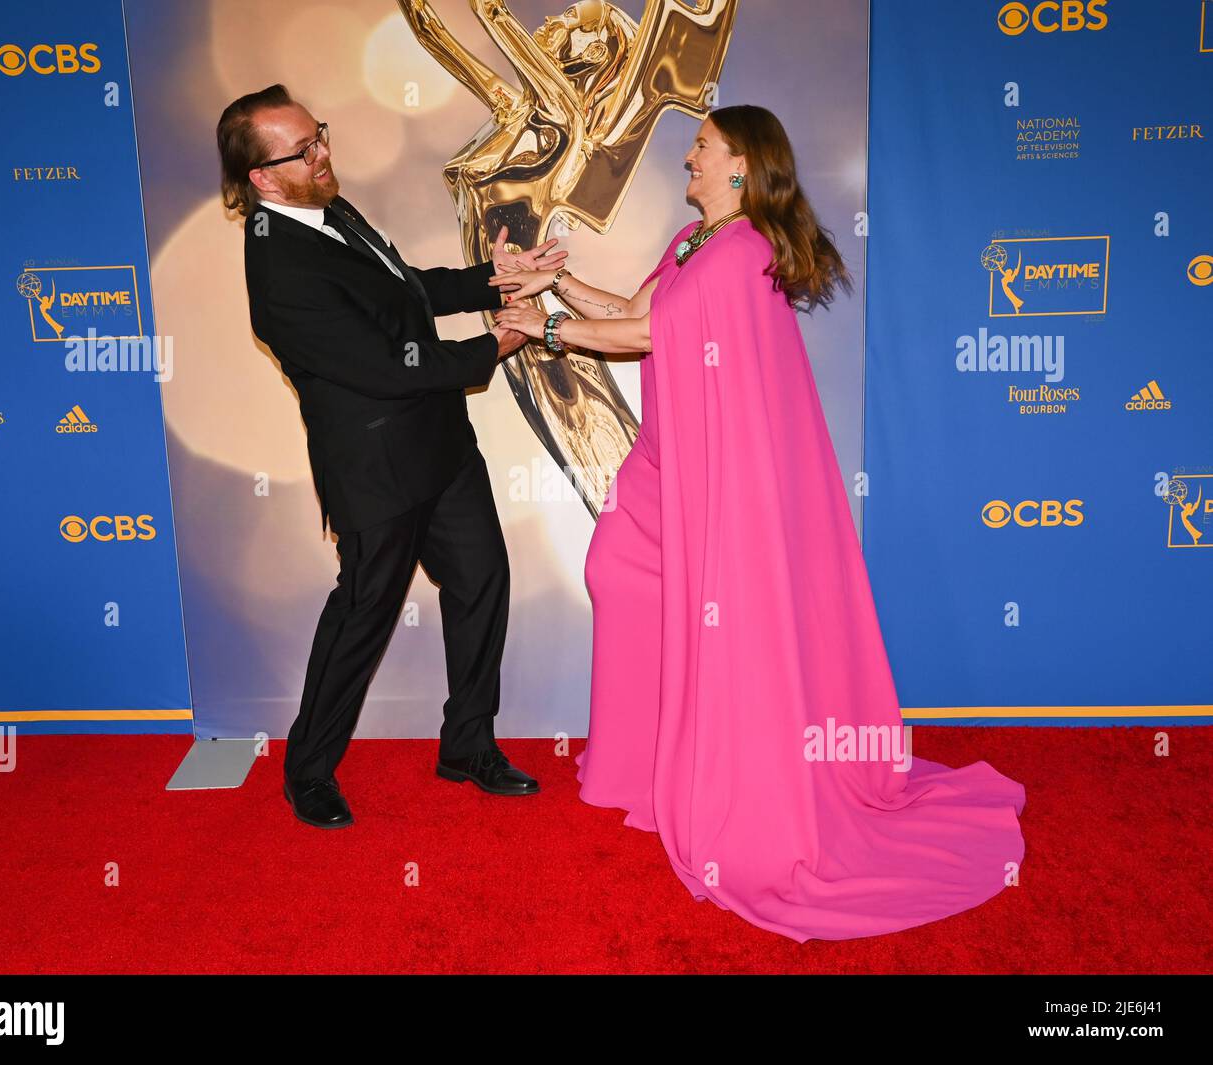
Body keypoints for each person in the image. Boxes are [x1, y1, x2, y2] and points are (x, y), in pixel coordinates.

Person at [492, 104, 1027, 941]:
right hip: (668, 469)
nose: (688, 159)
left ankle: (709, 777)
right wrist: (553, 282)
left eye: (702, 147)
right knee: (620, 575)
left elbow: (644, 332)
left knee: (703, 619)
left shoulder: (744, 255)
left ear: (742, 165)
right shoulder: (690, 244)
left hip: (720, 485)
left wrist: (548, 329)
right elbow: (634, 309)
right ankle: (645, 769)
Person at [217, 84, 565, 829]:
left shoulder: (326, 206)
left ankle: (467, 745)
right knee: (364, 615)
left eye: (321, 134)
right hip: (376, 471)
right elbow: (388, 365)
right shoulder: (280, 274)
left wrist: (490, 280)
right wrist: (493, 344)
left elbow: (401, 294)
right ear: (262, 178)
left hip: (440, 444)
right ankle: (308, 770)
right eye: (303, 150)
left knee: (482, 580)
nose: (323, 154)